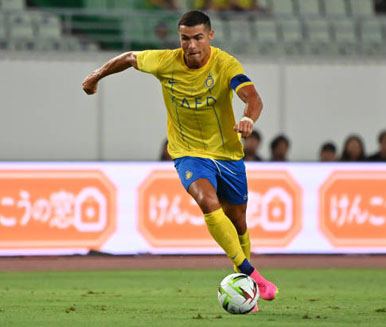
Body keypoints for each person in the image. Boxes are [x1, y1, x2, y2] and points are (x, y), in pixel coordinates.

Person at [82, 10, 277, 310]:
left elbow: (253, 97)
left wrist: (249, 118)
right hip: (188, 153)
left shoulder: (225, 65)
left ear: (210, 36)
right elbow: (130, 58)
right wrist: (96, 76)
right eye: (185, 38)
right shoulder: (166, 61)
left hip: (227, 154)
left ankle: (244, 275)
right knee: (207, 201)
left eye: (198, 37)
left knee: (238, 220)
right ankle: (254, 276)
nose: (191, 45)